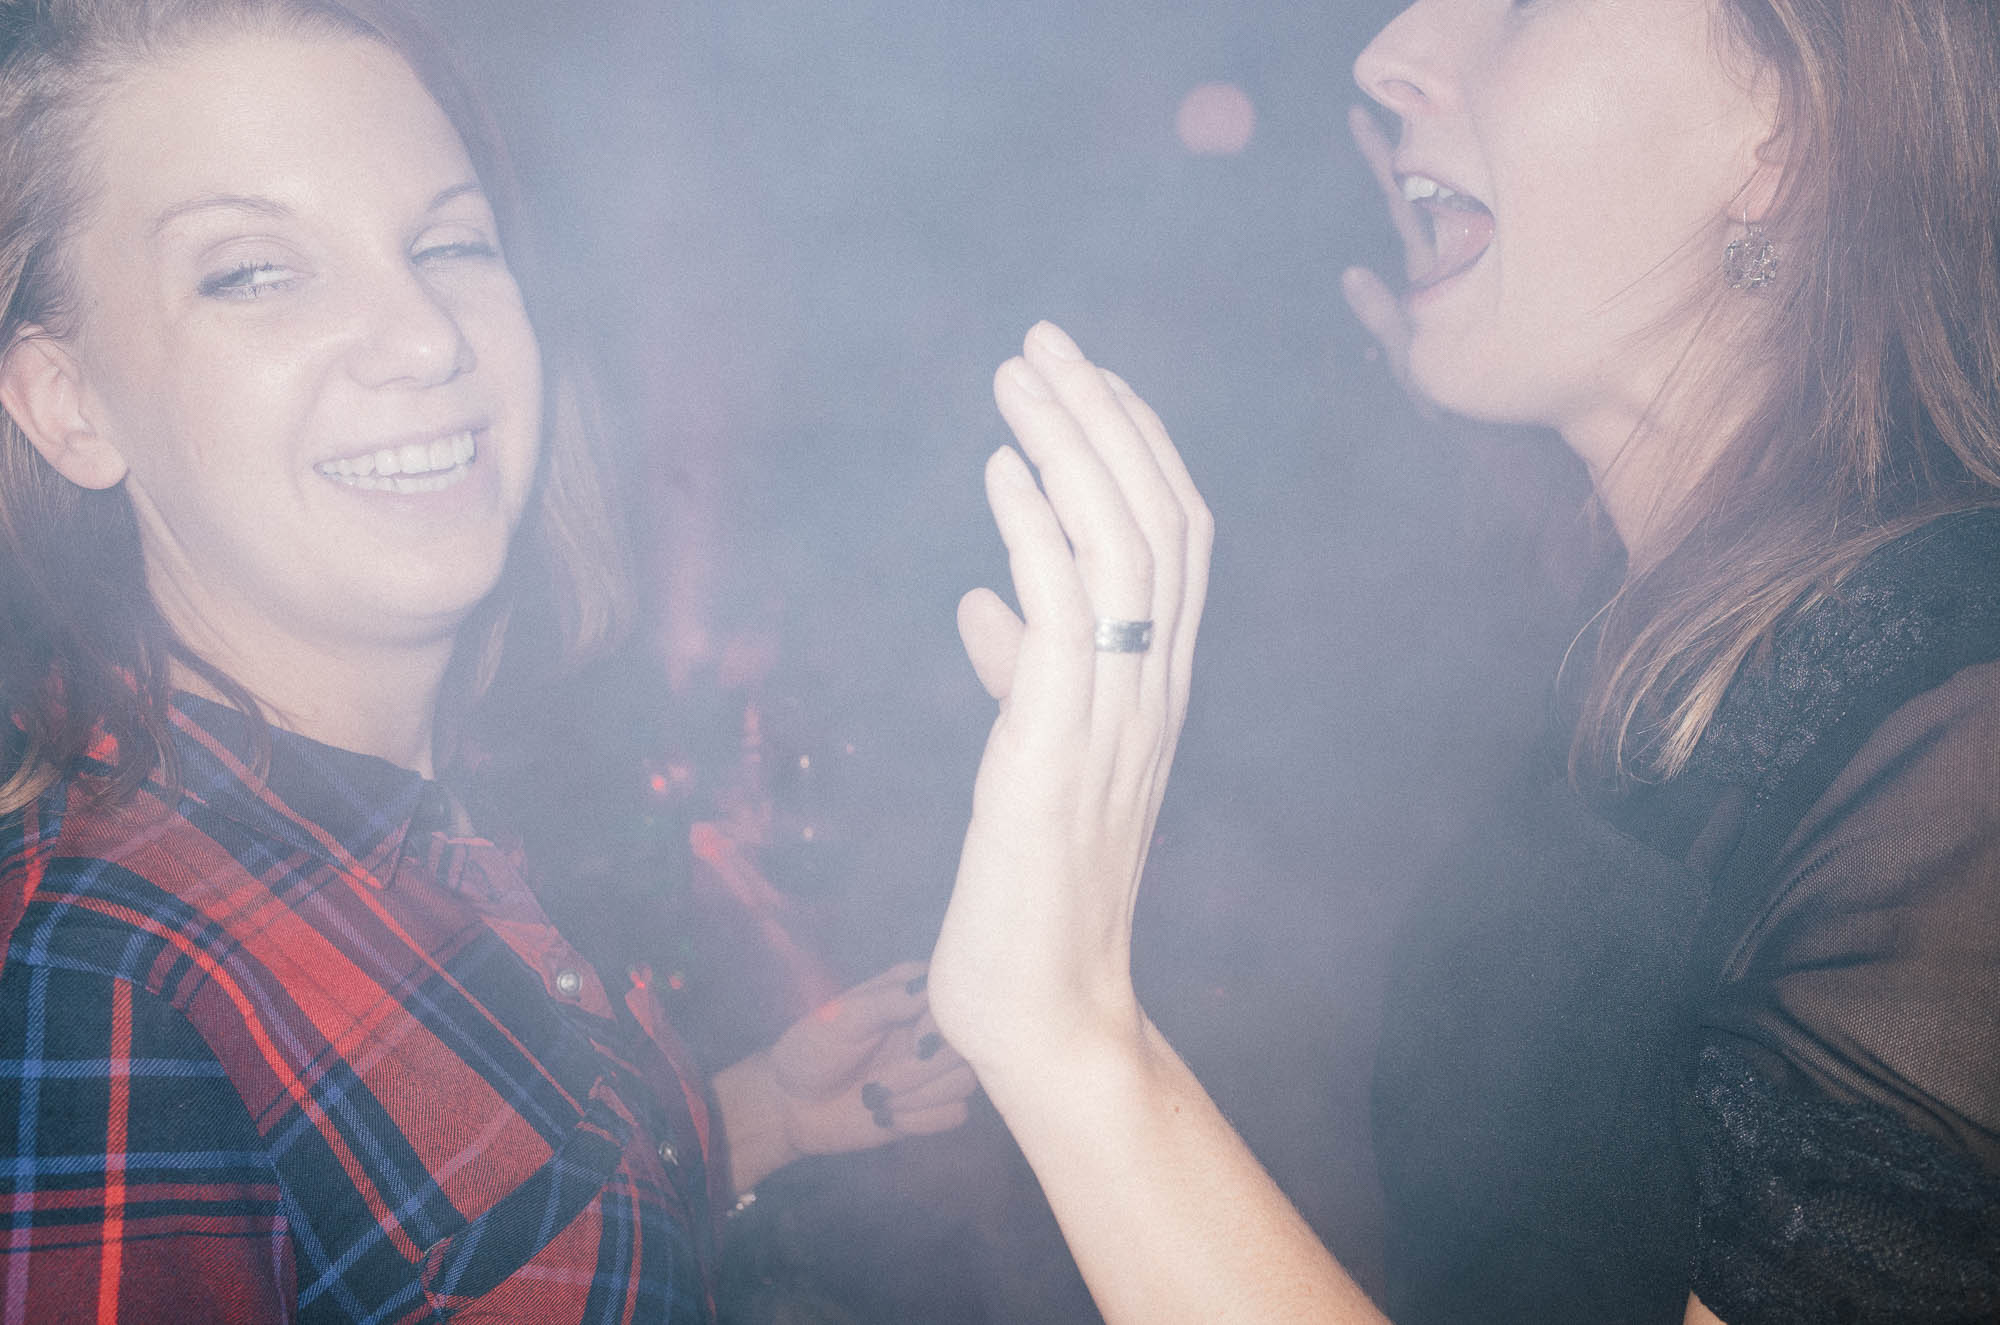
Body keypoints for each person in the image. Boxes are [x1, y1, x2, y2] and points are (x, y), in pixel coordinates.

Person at [929, 0, 2000, 1321]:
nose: (1385, 53)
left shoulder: (1961, 725)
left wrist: (1071, 1034)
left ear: (1780, 134)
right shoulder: (1652, 637)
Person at [0, 2, 972, 1319]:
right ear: (68, 403)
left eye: (450, 244)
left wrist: (758, 1116)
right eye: (256, 270)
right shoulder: (97, 980)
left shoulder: (414, 816)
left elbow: (448, 1247)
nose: (425, 336)